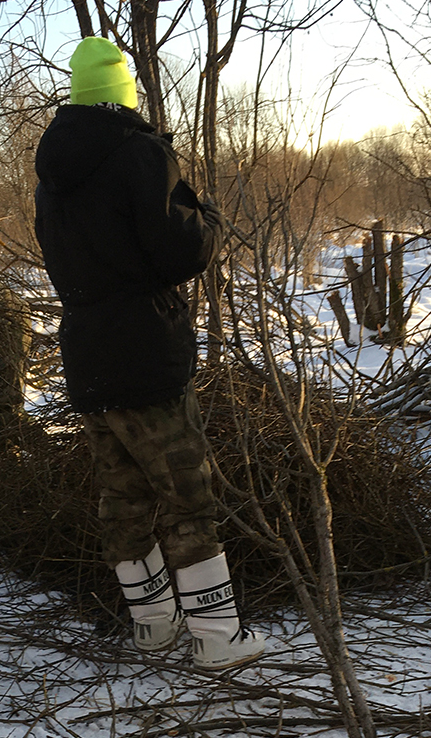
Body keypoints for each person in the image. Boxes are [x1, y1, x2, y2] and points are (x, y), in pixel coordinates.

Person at [33, 36, 265, 670]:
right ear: (124, 94)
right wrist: (209, 217)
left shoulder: (51, 171)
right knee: (189, 494)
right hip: (145, 349)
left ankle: (153, 627)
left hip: (87, 353)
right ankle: (218, 638)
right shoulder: (140, 154)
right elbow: (181, 250)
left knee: (123, 497)